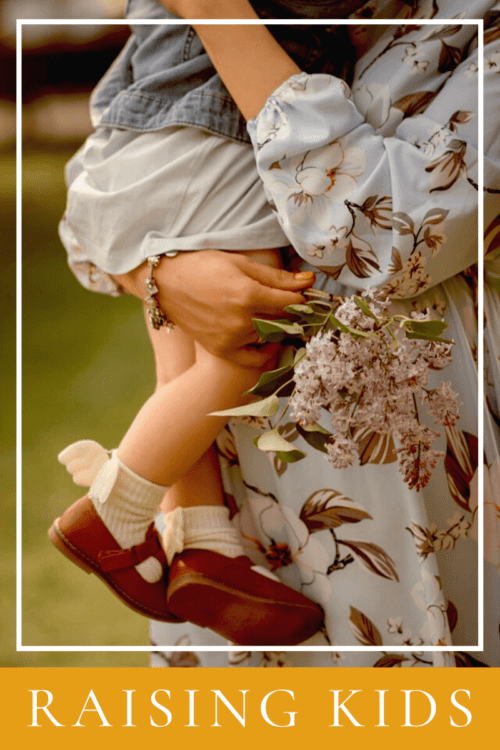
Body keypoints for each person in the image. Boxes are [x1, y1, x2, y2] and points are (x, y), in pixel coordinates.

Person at [145, 0, 500, 668]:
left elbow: (388, 235)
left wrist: (217, 14)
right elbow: (111, 173)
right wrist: (161, 272)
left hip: (428, 475)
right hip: (243, 488)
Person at [52, 0, 362, 646]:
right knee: (244, 344)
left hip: (142, 143)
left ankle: (203, 542)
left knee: (184, 362)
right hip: (211, 140)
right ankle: (116, 511)